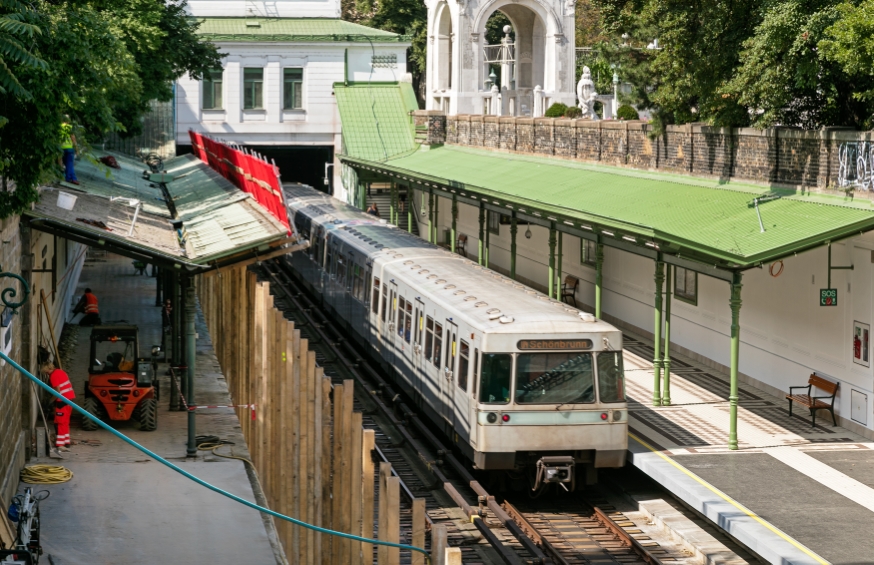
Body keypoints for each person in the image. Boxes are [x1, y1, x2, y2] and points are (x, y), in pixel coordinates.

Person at [43, 362, 75, 451]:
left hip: (62, 401)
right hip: (70, 399)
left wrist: (49, 402)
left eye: (45, 371)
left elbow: (57, 392)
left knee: (59, 423)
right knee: (65, 422)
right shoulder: (61, 371)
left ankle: (60, 444)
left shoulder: (53, 376)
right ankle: (66, 442)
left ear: (47, 369)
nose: (45, 374)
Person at [60, 116, 79, 185]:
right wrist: (76, 148)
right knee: (69, 164)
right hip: (69, 148)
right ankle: (72, 178)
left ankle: (68, 177)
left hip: (61, 148)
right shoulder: (69, 127)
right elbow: (73, 138)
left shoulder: (59, 127)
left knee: (66, 164)